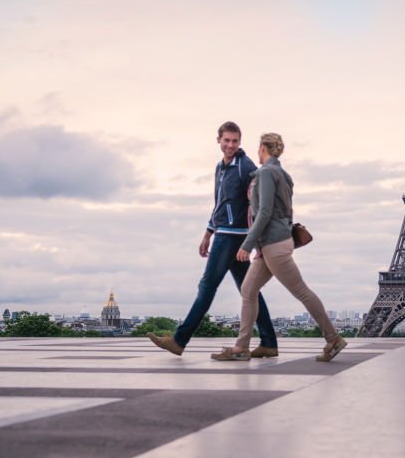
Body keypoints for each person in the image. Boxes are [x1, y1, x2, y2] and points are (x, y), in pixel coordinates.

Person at [211, 132, 346, 362]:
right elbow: (285, 210)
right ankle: (241, 347)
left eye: (258, 147)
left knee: (301, 291)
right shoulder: (284, 175)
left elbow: (263, 212)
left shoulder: (265, 174)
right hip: (275, 243)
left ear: (263, 148)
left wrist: (247, 244)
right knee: (248, 291)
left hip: (273, 244)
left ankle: (333, 338)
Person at [148, 121, 279, 357]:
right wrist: (208, 232)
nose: (230, 145)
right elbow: (219, 204)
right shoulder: (221, 168)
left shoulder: (245, 166)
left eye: (235, 141)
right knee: (249, 292)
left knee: (207, 287)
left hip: (231, 237)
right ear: (218, 140)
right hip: (223, 233)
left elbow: (258, 202)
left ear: (240, 142)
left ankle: (179, 340)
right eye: (227, 140)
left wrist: (254, 240)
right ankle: (269, 342)